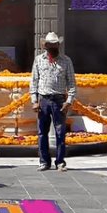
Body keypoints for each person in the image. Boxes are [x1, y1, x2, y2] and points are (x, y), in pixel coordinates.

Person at [29, 31, 76, 172]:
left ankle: (60, 162)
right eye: (50, 45)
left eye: (55, 45)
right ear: (46, 46)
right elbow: (34, 81)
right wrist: (34, 101)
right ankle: (44, 162)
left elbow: (72, 83)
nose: (53, 47)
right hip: (43, 100)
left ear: (58, 45)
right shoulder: (39, 60)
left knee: (60, 132)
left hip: (59, 100)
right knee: (42, 132)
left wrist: (69, 101)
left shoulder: (66, 61)